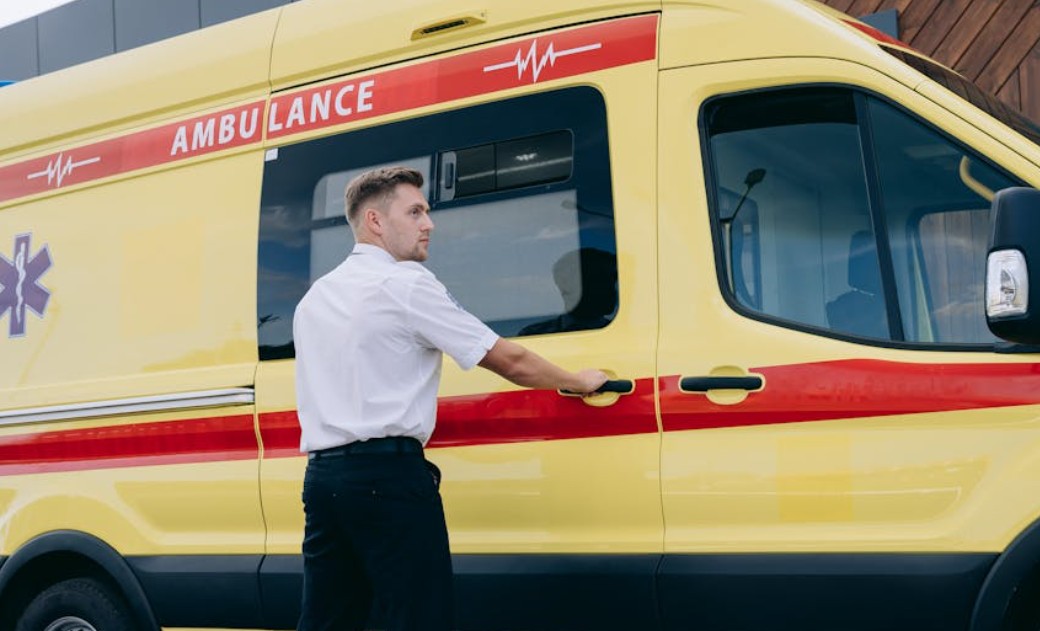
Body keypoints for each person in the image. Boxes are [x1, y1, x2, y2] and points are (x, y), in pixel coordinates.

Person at [292, 166, 608, 631]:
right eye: (415, 211)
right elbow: (509, 359)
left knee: (329, 618)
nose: (429, 224)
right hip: (387, 478)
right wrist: (577, 381)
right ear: (376, 221)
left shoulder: (316, 297)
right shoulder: (406, 284)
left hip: (323, 481)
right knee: (418, 616)